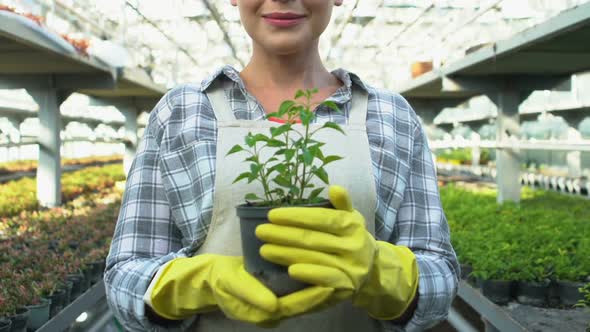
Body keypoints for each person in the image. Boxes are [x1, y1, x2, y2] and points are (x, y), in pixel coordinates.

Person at [105, 0, 459, 331]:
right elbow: (125, 273)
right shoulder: (181, 113)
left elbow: (440, 271)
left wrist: (382, 274)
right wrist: (192, 284)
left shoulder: (392, 117)